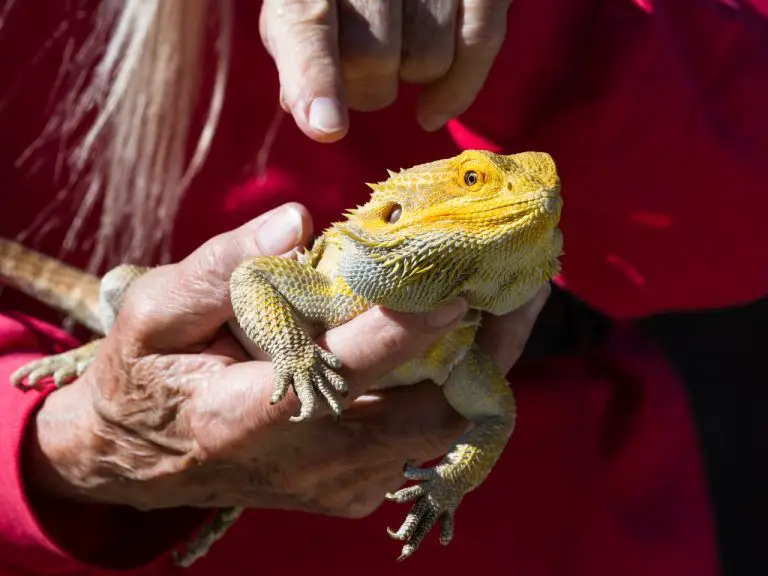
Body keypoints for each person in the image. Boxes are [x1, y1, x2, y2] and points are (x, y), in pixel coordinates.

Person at [0, 1, 766, 575]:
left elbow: (737, 215)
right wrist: (42, 443)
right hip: (115, 519)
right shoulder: (334, 286)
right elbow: (263, 279)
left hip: (575, 519)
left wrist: (526, 21)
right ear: (396, 212)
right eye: (472, 185)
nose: (540, 199)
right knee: (122, 292)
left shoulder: (466, 361)